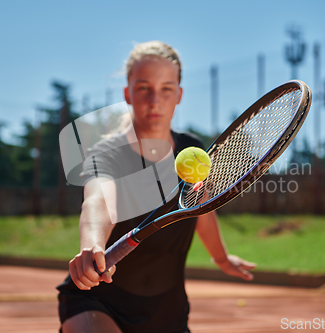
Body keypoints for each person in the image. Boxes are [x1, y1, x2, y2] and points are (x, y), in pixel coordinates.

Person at [57, 41, 256, 333]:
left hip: (168, 312)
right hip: (98, 304)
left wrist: (221, 259)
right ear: (127, 93)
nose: (155, 100)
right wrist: (92, 246)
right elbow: (98, 201)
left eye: (166, 88)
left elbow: (200, 210)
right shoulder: (107, 153)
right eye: (143, 88)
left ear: (179, 95)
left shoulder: (192, 150)